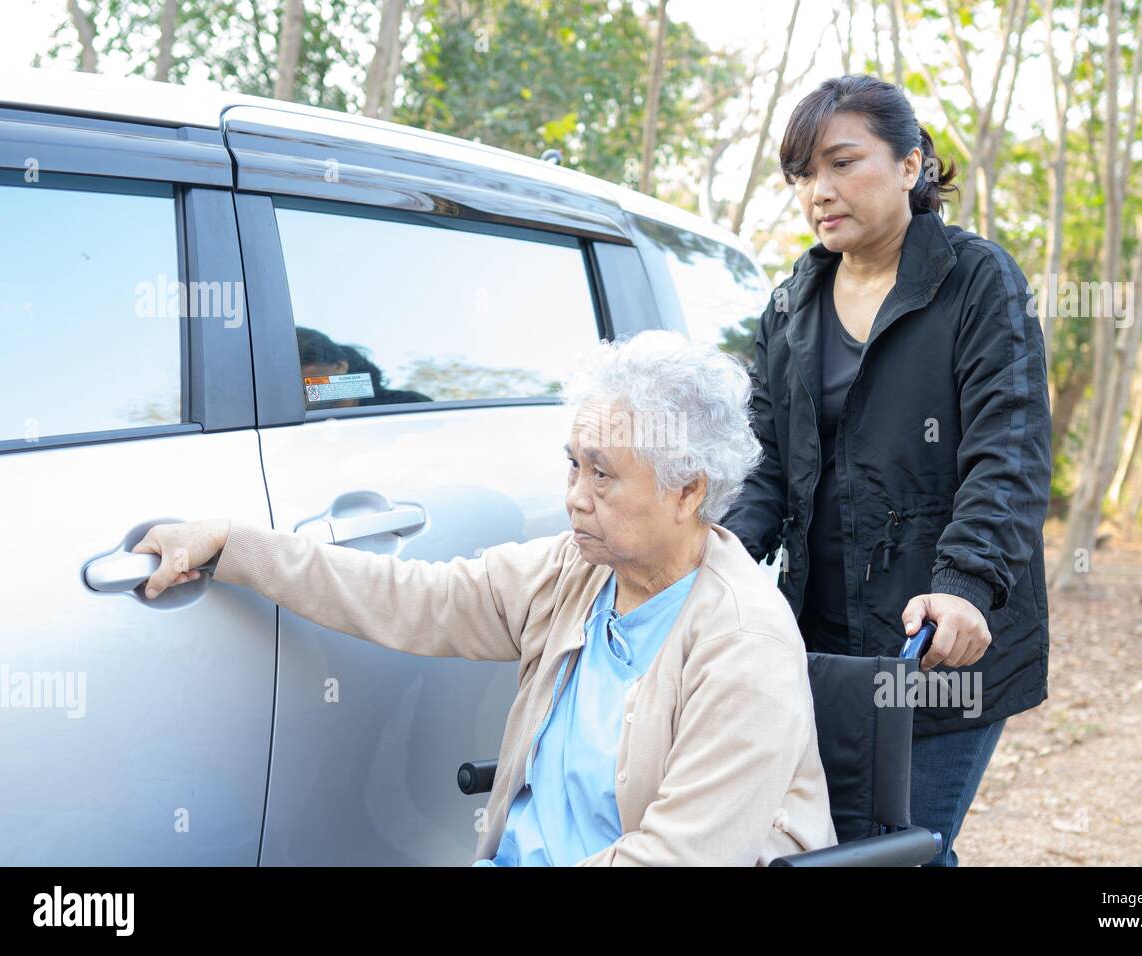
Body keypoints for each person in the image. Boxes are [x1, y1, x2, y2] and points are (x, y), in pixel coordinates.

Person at [133, 330, 838, 867]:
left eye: (602, 475)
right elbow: (408, 596)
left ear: (688, 490)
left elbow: (678, 860)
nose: (574, 497)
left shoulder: (744, 644)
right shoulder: (578, 573)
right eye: (572, 464)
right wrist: (232, 545)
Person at [721, 74, 1052, 866]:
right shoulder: (791, 304)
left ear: (910, 165)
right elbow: (766, 462)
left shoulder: (976, 281)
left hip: (936, 642)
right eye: (803, 175)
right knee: (826, 847)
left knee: (899, 850)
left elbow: (1008, 450)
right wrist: (715, 562)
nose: (818, 192)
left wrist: (967, 584)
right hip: (819, 640)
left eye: (842, 163)